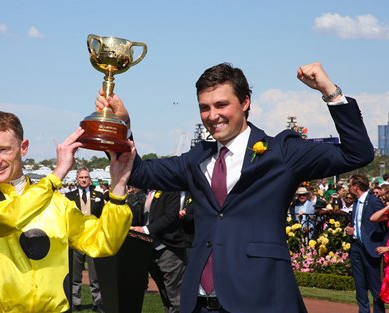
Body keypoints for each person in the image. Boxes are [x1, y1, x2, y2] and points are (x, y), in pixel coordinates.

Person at [96, 62, 374, 312]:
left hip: (261, 298)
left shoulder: (282, 152)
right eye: (204, 107)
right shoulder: (197, 158)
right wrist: (121, 123)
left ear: (245, 102)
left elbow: (357, 153)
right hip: (198, 302)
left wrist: (330, 91)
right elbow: (138, 171)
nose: (212, 115)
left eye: (221, 105)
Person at [0, 111, 134, 313]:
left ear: (23, 148)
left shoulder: (57, 203)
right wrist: (56, 175)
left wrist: (118, 189)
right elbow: (9, 217)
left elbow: (104, 243)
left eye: (4, 150)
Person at [130, 190, 186, 313]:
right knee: (164, 294)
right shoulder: (142, 193)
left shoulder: (170, 190)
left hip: (168, 249)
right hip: (149, 250)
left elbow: (170, 216)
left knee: (175, 296)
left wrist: (145, 229)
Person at [65, 167, 105, 312]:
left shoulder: (99, 196)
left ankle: (98, 302)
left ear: (90, 179)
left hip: (93, 241)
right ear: (77, 179)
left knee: (95, 276)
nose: (84, 180)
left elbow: (102, 219)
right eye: (81, 177)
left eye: (86, 177)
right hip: (76, 241)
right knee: (75, 275)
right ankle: (75, 302)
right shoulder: (68, 196)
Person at [345, 174, 386, 312]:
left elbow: (385, 224)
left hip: (371, 248)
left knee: (375, 286)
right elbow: (360, 224)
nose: (348, 188)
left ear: (356, 187)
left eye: (350, 185)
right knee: (360, 285)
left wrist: (385, 245)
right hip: (356, 247)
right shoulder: (356, 202)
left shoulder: (374, 201)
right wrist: (351, 230)